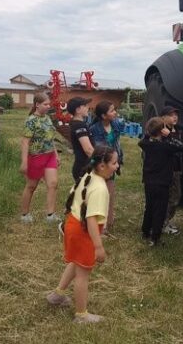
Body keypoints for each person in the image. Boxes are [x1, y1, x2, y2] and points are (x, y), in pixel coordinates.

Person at [46, 145, 118, 324]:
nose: (117, 166)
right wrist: (98, 246)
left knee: (76, 262)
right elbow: (91, 219)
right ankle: (81, 315)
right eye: (114, 163)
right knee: (83, 274)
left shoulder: (87, 176)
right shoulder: (100, 189)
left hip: (73, 224)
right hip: (83, 232)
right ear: (102, 166)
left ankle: (57, 295)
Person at [138, 117, 183, 246]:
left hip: (149, 181)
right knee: (160, 209)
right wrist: (170, 135)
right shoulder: (166, 147)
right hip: (162, 182)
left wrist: (149, 134)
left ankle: (145, 231)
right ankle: (155, 237)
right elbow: (180, 146)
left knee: (149, 206)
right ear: (161, 131)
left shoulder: (146, 144)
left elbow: (142, 141)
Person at [19, 92, 60, 223]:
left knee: (53, 184)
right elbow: (25, 142)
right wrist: (24, 162)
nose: (48, 106)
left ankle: (50, 215)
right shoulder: (30, 121)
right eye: (45, 104)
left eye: (49, 104)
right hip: (36, 157)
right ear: (37, 105)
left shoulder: (47, 118)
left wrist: (56, 154)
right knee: (31, 186)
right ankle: (24, 214)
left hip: (50, 156)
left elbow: (50, 138)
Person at [89, 100, 124, 234]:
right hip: (102, 165)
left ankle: (109, 221)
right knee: (100, 194)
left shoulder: (115, 124)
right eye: (112, 111)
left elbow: (117, 143)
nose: (115, 113)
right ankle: (100, 225)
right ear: (103, 116)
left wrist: (116, 161)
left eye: (115, 110)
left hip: (112, 164)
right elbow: (100, 151)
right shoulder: (95, 129)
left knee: (110, 193)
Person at [160, 106, 183, 236]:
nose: (175, 117)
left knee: (175, 196)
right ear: (163, 117)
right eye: (171, 115)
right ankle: (163, 223)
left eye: (176, 114)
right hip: (166, 169)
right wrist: (169, 136)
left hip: (177, 168)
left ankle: (165, 221)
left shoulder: (178, 130)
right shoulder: (161, 131)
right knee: (171, 197)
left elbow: (181, 146)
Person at [67, 97, 94, 183]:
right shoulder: (79, 126)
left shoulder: (78, 124)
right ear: (78, 110)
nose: (88, 108)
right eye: (85, 106)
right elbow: (88, 150)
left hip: (84, 165)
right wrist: (101, 161)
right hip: (84, 167)